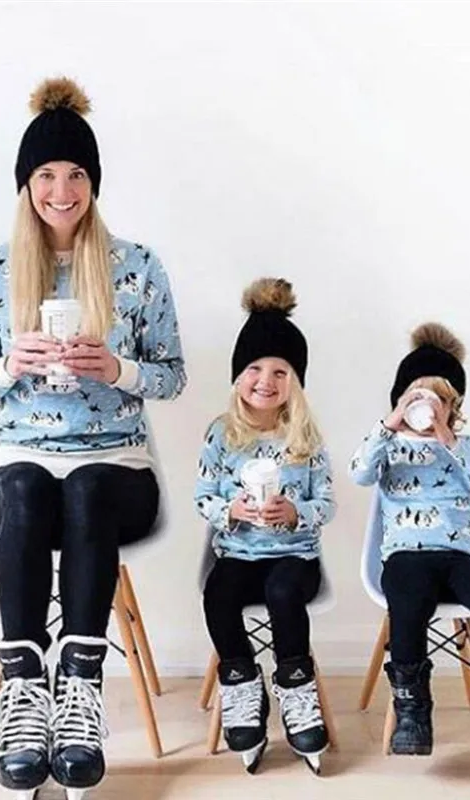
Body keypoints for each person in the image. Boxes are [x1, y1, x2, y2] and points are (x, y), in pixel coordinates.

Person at [0, 77, 186, 799]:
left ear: (94, 182)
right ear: (26, 185)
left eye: (77, 174)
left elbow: (173, 377)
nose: (62, 191)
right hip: (20, 465)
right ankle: (28, 694)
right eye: (47, 175)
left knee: (87, 487)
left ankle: (81, 689)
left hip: (117, 467)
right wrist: (9, 365)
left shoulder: (137, 267)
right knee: (29, 487)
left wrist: (118, 369)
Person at [195, 278, 335, 774]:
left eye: (280, 371)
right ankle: (241, 683)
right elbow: (203, 497)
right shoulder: (220, 434)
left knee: (283, 591)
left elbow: (327, 503)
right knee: (218, 594)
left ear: (295, 381)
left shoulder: (307, 438)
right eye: (254, 368)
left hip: (295, 557)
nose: (266, 381)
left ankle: (296, 688)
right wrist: (231, 510)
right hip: (239, 553)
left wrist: (295, 513)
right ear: (238, 376)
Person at [349, 322, 470, 755]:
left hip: (458, 558)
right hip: (405, 557)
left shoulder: (461, 446)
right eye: (418, 397)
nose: (428, 408)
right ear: (401, 399)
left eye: (440, 400)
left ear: (454, 407)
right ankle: (412, 708)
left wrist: (450, 438)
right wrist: (390, 424)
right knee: (408, 602)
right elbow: (359, 472)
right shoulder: (388, 447)